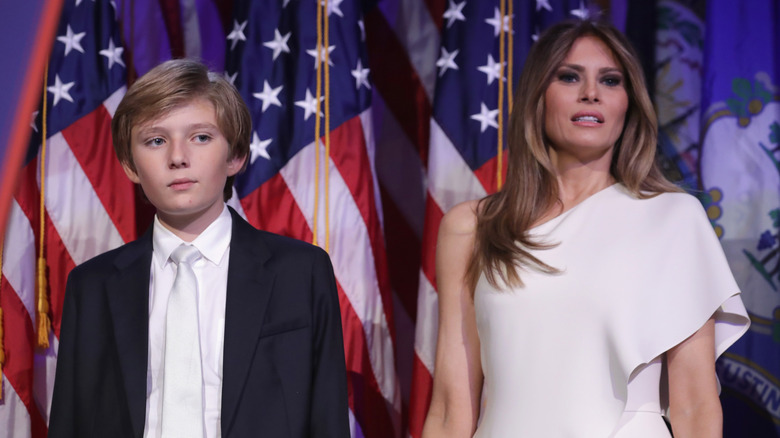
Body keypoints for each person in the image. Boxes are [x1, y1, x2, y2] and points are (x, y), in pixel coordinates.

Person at [421, 20, 749, 438]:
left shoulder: (673, 218)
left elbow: (695, 405)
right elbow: (452, 407)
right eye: (569, 76)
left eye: (610, 80)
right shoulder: (471, 227)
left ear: (627, 105)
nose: (590, 93)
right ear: (538, 96)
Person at [48, 59, 350, 438]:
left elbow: (327, 416)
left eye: (201, 137)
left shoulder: (300, 271)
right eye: (156, 140)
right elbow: (71, 422)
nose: (177, 157)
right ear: (130, 164)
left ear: (235, 156)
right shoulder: (92, 285)